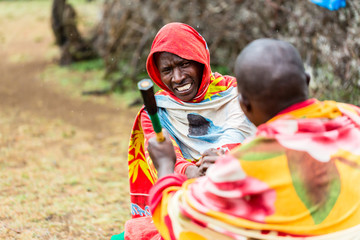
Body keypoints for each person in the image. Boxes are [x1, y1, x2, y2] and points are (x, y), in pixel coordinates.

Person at [147, 39, 360, 239]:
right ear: (306, 80)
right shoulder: (352, 116)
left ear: (243, 105)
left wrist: (166, 165)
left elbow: (176, 221)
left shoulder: (243, 167)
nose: (177, 77)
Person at [128, 22, 255, 218]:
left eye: (184, 64)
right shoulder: (156, 111)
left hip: (240, 193)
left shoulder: (234, 92)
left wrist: (221, 162)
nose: (178, 78)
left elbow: (241, 135)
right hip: (187, 203)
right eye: (167, 70)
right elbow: (166, 159)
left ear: (200, 61)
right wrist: (192, 173)